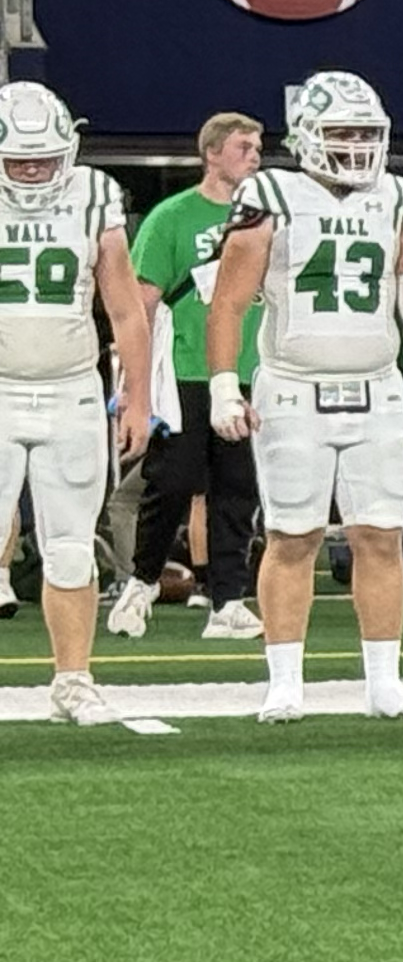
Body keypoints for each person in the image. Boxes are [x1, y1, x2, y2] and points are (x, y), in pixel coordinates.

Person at [198, 72, 403, 722]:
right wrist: (223, 386)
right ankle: (285, 681)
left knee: (382, 534)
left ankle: (384, 682)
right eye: (342, 133)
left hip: (376, 386)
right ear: (309, 137)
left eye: (365, 133)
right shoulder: (269, 193)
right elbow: (228, 301)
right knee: (294, 535)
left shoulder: (396, 195)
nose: (355, 145)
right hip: (291, 385)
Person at [0, 83, 153, 723]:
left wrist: (137, 398)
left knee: (68, 546)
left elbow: (124, 307)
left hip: (69, 389)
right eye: (19, 159)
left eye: (44, 157)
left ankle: (73, 679)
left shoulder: (93, 194)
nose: (33, 170)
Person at [111, 109, 263, 643]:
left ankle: (227, 599)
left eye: (257, 148)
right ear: (212, 153)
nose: (254, 156)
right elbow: (142, 303)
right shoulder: (171, 217)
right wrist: (134, 386)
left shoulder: (269, 216)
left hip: (247, 371)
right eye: (243, 147)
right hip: (183, 371)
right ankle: (141, 581)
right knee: (170, 484)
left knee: (237, 491)